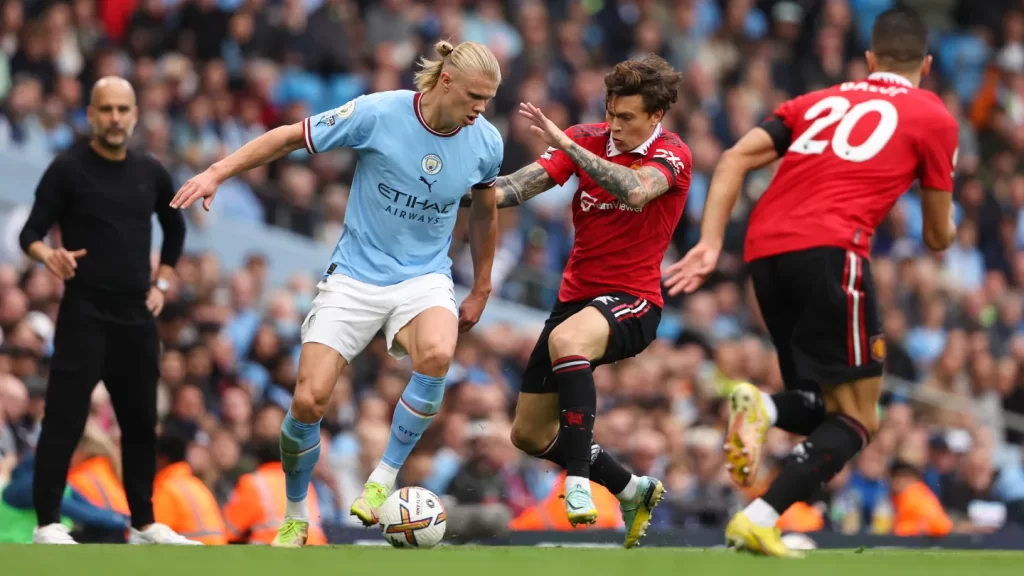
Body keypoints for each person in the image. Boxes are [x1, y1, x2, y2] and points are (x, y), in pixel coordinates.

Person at [170, 40, 503, 547]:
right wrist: (218, 171)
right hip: (353, 275)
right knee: (308, 401)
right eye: (476, 96)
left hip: (424, 276)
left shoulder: (486, 143)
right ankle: (297, 511)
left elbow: (485, 212)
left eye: (490, 99)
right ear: (447, 81)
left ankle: (382, 478)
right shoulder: (378, 113)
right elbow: (288, 138)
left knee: (437, 352)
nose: (482, 109)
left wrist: (481, 285)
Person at [664, 7, 958, 557]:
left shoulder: (816, 101)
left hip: (764, 251)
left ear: (869, 62)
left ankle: (768, 413)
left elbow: (732, 158)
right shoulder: (933, 114)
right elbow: (939, 237)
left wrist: (707, 243)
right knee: (860, 417)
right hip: (831, 251)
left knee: (821, 403)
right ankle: (760, 515)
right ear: (928, 64)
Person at [461, 54, 690, 548]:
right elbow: (515, 189)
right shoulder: (588, 137)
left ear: (656, 116)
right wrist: (454, 189)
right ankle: (632, 489)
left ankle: (579, 482)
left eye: (626, 118)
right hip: (576, 302)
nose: (614, 126)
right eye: (610, 113)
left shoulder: (673, 155)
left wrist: (565, 142)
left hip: (634, 302)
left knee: (567, 340)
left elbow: (633, 190)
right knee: (526, 434)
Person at [18, 77, 191, 545]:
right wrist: (46, 255)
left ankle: (143, 523)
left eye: (122, 109)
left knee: (139, 423)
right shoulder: (68, 169)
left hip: (137, 316)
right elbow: (29, 234)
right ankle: (47, 523)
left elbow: (175, 230)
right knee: (64, 419)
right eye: (106, 109)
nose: (115, 118)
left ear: (135, 114)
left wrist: (163, 281)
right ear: (92, 114)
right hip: (84, 313)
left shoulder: (151, 172)